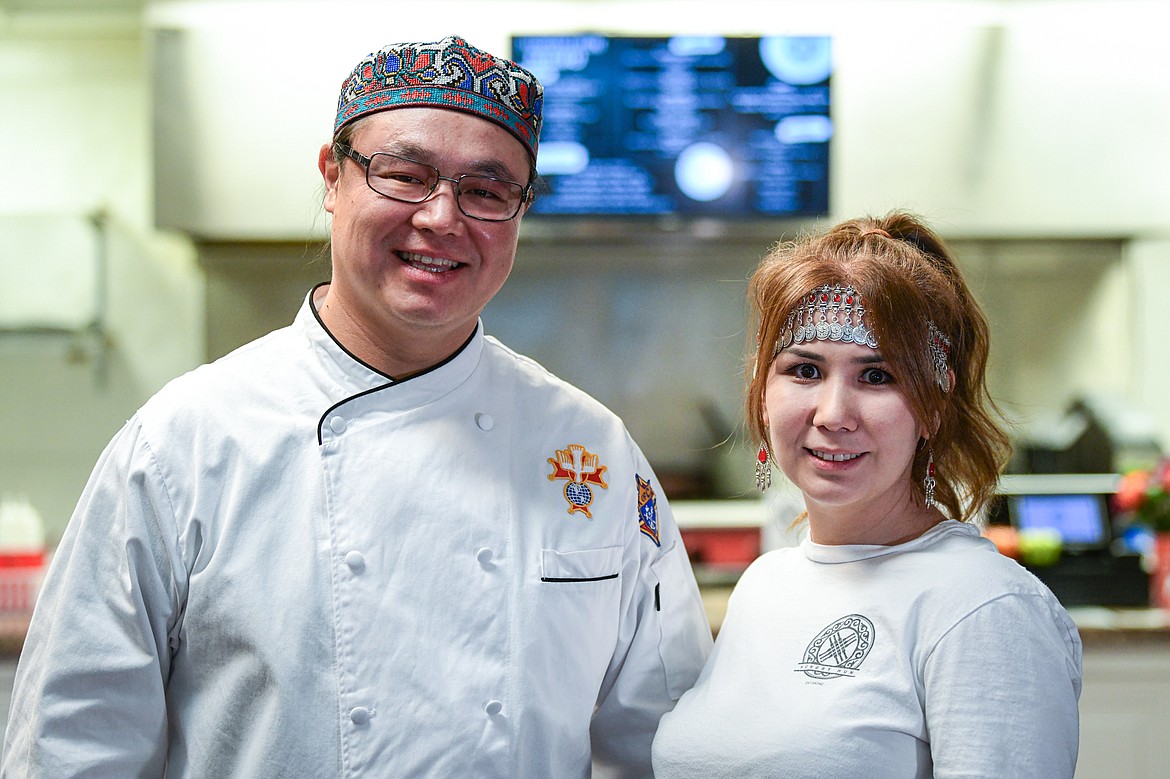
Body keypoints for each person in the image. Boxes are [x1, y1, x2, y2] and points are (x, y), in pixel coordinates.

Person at [2, 35, 712, 777]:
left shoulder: (590, 448)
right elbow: (72, 751)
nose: (442, 217)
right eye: (404, 174)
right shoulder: (184, 445)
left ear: (519, 211)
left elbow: (666, 745)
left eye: (487, 190)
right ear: (333, 178)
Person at [652, 212, 1082, 778]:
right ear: (761, 393)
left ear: (934, 405)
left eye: (877, 377)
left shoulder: (984, 609)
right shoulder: (766, 583)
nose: (833, 415)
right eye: (804, 369)